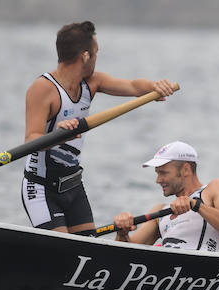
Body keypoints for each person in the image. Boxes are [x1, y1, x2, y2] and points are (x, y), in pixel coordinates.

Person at [22, 20, 177, 235]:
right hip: (41, 188)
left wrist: (154, 87)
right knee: (62, 250)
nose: (97, 58)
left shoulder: (92, 83)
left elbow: (132, 86)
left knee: (87, 248)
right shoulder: (43, 89)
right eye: (96, 53)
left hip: (73, 185)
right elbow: (31, 140)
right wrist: (58, 135)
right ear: (85, 56)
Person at [111, 141, 219, 250]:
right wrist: (122, 233)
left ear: (185, 170)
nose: (158, 180)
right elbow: (127, 254)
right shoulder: (160, 212)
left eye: (163, 173)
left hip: (206, 274)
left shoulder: (214, 188)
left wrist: (196, 205)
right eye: (157, 173)